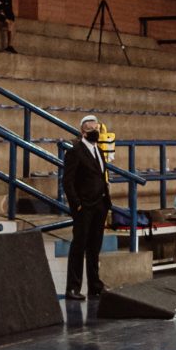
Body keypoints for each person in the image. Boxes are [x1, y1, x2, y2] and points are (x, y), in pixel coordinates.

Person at [62, 114, 111, 300]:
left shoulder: (99, 151)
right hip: (84, 206)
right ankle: (73, 287)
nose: (95, 132)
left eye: (97, 128)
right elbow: (68, 181)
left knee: (94, 246)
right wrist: (77, 204)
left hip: (100, 204)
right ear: (83, 132)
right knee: (79, 246)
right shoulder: (75, 151)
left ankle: (94, 285)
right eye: (91, 129)